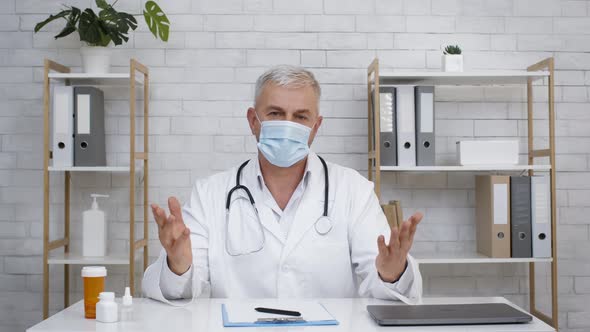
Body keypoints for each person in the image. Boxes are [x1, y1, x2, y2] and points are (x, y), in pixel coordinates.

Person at [142, 65, 423, 304]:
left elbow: (384, 286)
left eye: (301, 117)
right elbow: (179, 290)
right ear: (254, 121)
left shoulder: (354, 191)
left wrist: (392, 272)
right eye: (276, 114)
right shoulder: (211, 194)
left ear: (316, 126)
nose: (288, 125)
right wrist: (178, 265)